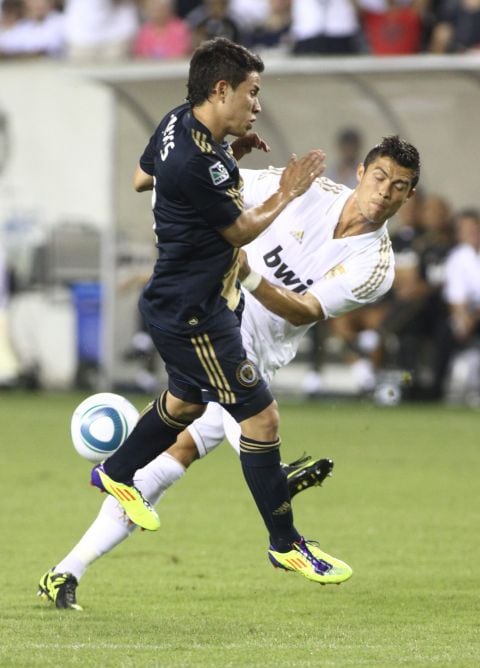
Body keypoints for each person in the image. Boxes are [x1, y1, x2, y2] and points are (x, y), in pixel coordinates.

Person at [38, 133, 421, 609]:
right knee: (252, 424)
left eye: (399, 186)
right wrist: (196, 170)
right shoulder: (309, 190)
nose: (385, 191)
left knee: (165, 464)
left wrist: (249, 273)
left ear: (408, 196)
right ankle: (281, 524)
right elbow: (222, 189)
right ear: (360, 174)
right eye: (380, 177)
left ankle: (64, 571)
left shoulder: (375, 265)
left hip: (256, 358)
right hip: (216, 325)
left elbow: (302, 310)